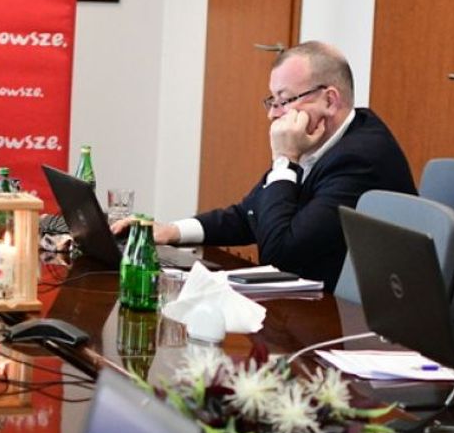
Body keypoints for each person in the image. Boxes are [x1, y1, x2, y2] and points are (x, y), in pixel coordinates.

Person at [123, 42, 415, 285]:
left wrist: (284, 159)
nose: (273, 114)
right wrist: (171, 231)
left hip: (350, 321)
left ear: (329, 100)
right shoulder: (321, 142)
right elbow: (250, 214)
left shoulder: (360, 159)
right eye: (272, 101)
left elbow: (281, 254)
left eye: (284, 101)